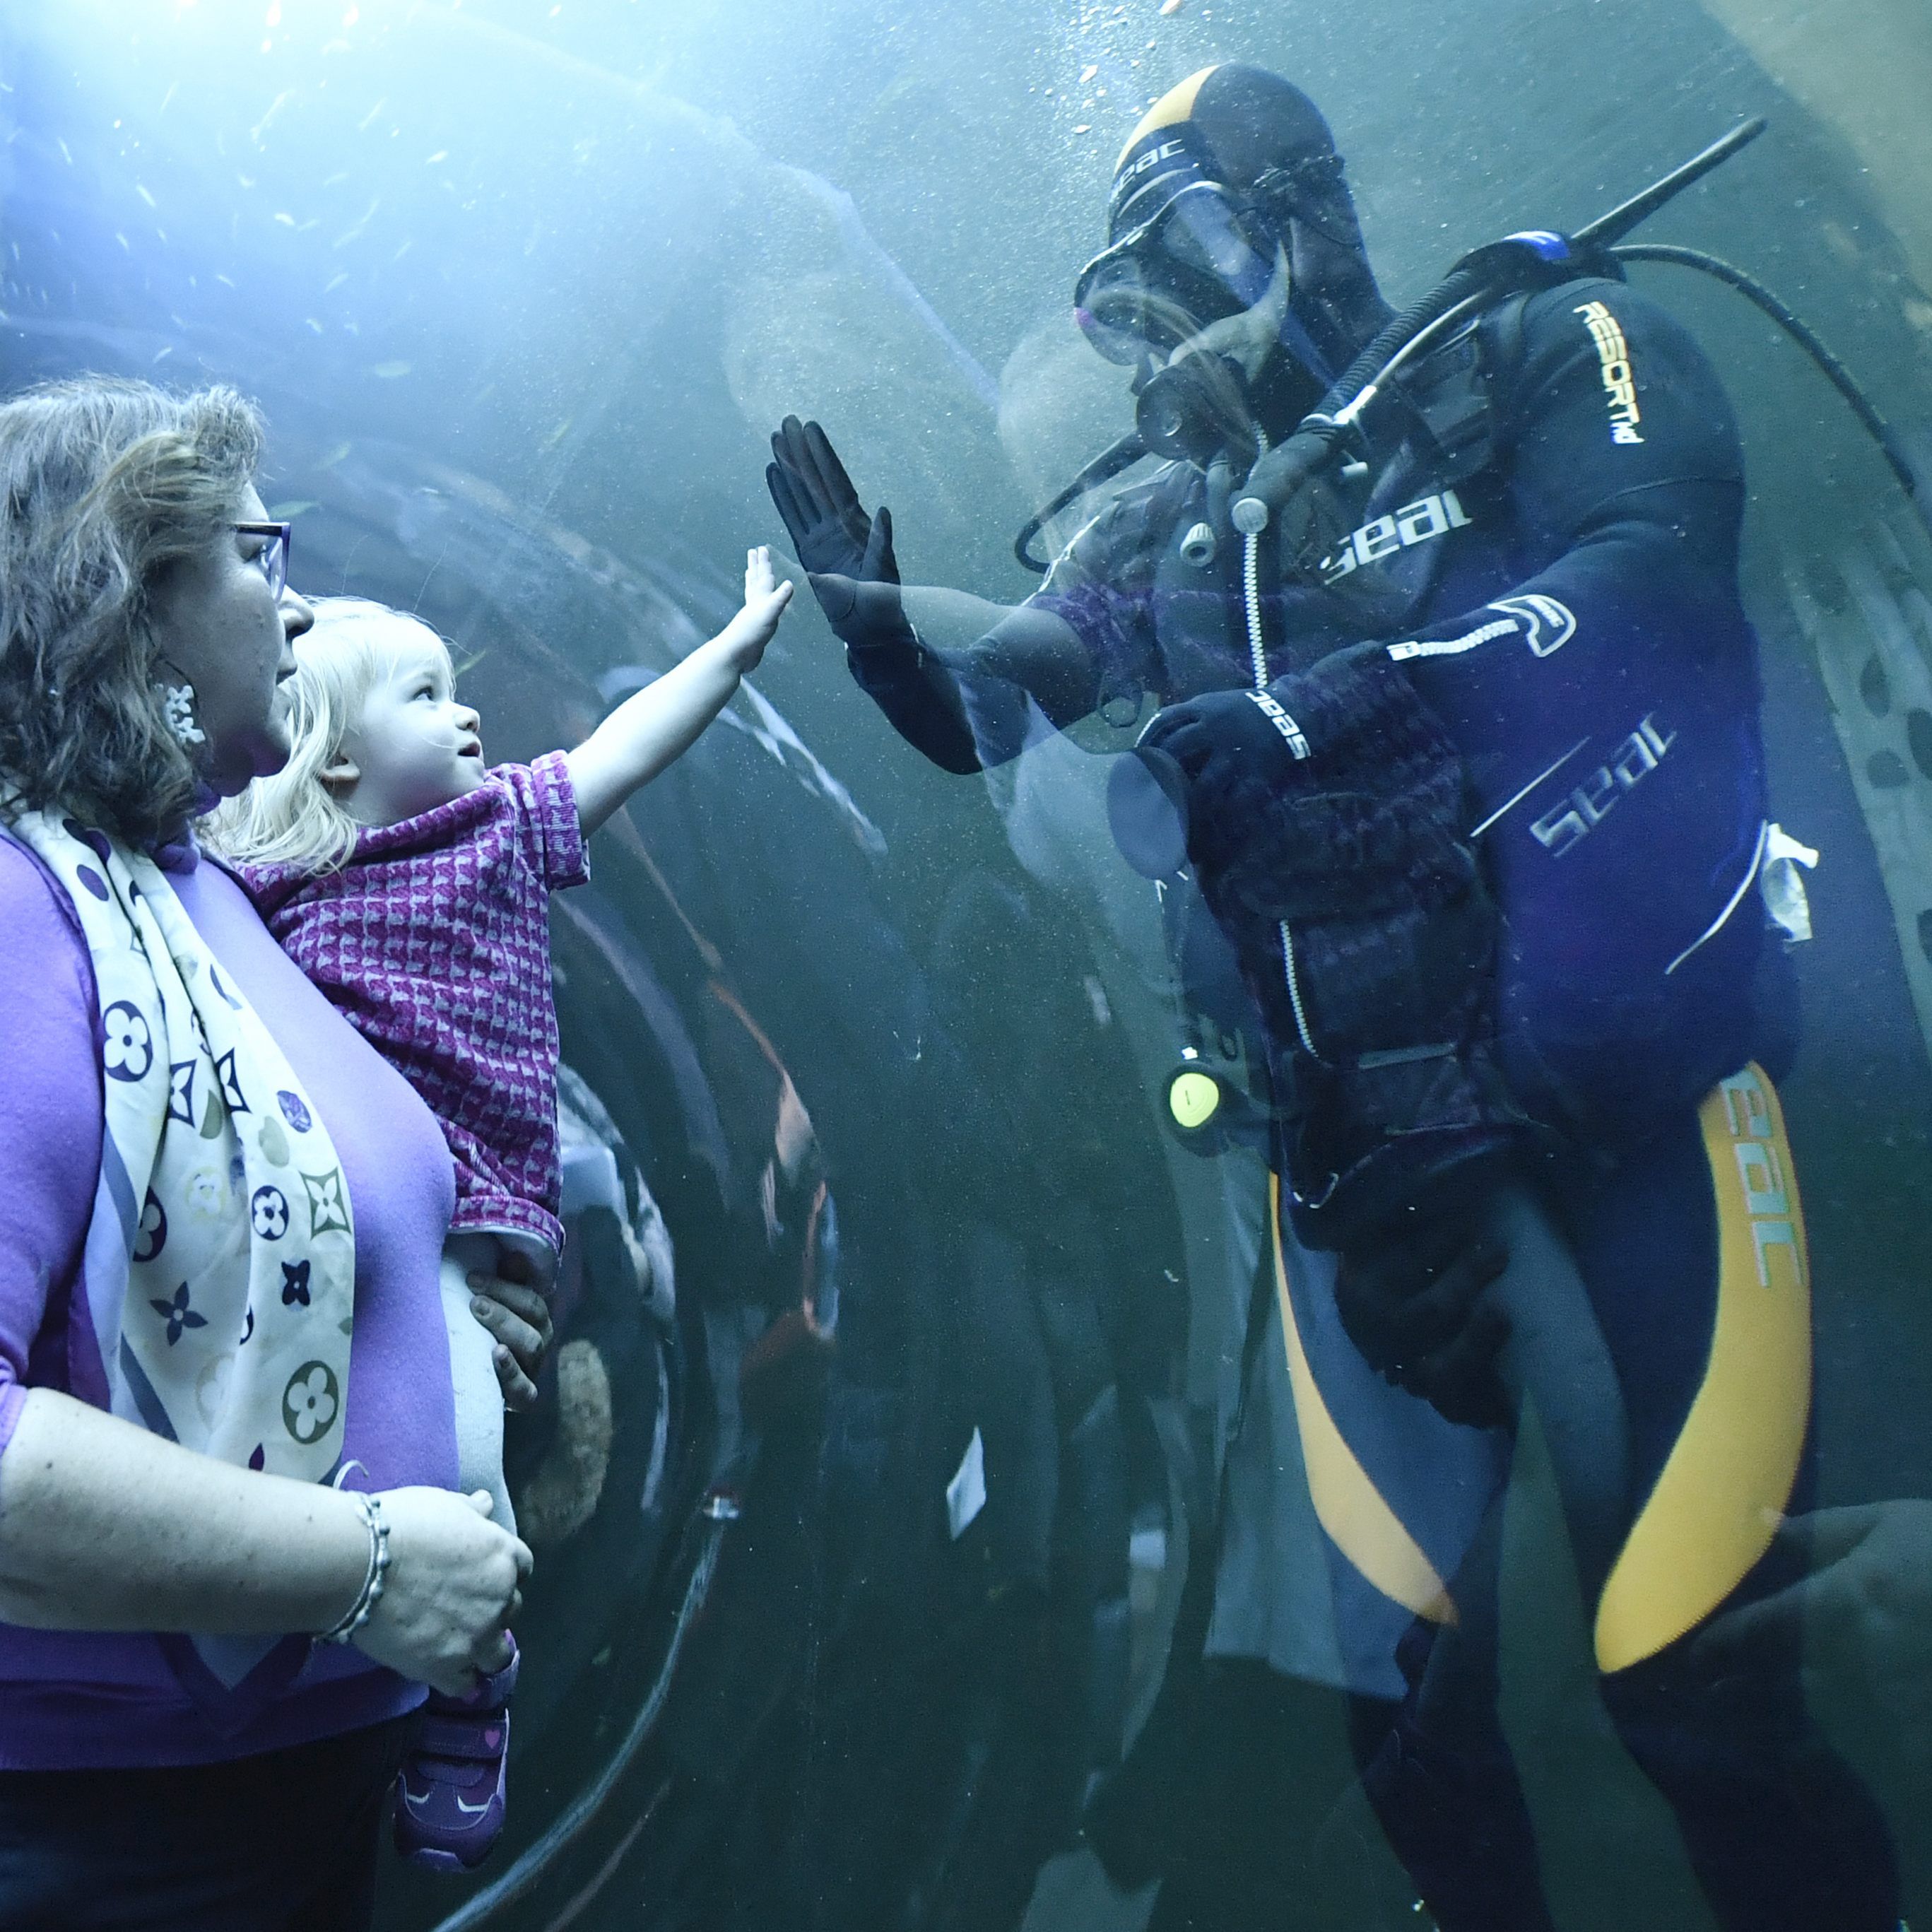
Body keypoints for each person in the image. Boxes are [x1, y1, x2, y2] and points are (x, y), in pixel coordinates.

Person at [767, 61, 1900, 1932]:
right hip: (1363, 1183)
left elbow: (1646, 585)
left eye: (1177, 272)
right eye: (1125, 309)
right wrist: (886, 635)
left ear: (1294, 219)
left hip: (1642, 1113)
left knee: (1699, 1669)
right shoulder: (1176, 525)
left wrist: (1337, 704)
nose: (1159, 346)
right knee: (1412, 1748)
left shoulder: (1540, 345)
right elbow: (1010, 694)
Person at [0, 376, 550, 1931]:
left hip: (265, 1805)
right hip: (111, 1835)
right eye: (262, 555)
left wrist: (437, 1318)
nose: (298, 615)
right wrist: (364, 1562)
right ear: (130, 588)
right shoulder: (19, 913)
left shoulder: (206, 897)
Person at [199, 553, 791, 1864]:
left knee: (462, 1459)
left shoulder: (498, 829)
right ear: (335, 758)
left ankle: (467, 1695)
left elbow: (619, 750)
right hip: (326, 1225)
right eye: (424, 695)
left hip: (475, 1223)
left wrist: (734, 650)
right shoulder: (259, 884)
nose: (467, 715)